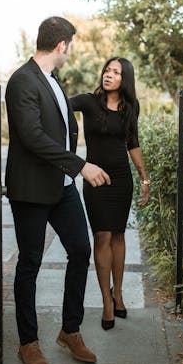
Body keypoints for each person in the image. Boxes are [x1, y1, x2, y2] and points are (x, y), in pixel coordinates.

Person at [4, 16, 111, 364]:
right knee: (30, 264)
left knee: (81, 250)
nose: (70, 52)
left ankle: (70, 330)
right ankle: (28, 342)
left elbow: (62, 130)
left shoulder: (52, 80)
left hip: (62, 188)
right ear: (62, 45)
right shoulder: (22, 81)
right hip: (32, 190)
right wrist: (81, 165)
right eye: (71, 46)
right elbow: (33, 137)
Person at [69, 57, 149, 331]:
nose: (109, 74)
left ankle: (119, 293)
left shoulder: (131, 107)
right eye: (107, 69)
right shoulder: (88, 102)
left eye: (116, 72)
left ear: (124, 78)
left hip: (121, 180)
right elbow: (56, 107)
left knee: (118, 234)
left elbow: (133, 142)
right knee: (101, 235)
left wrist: (144, 178)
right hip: (94, 179)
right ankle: (106, 300)